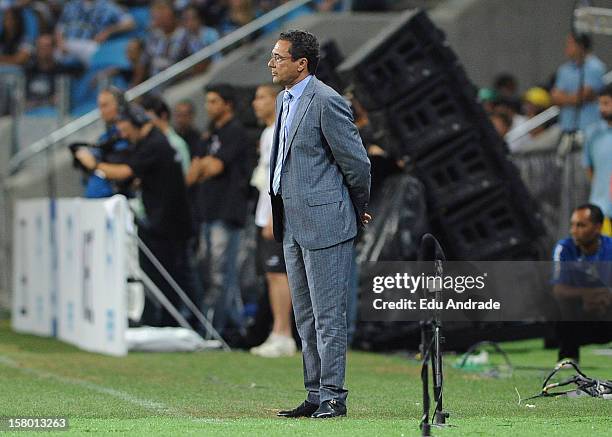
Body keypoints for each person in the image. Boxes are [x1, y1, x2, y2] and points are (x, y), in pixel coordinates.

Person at [268, 30, 371, 419]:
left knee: (329, 315)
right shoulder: (284, 99)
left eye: (279, 57)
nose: (272, 63)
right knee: (305, 315)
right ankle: (314, 393)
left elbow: (356, 162)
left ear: (301, 64)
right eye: (273, 56)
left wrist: (357, 204)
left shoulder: (327, 101)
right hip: (292, 220)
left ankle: (333, 396)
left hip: (326, 219)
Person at [74, 102, 194, 327]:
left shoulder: (154, 144)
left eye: (124, 127)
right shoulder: (148, 143)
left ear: (137, 122)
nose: (122, 134)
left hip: (169, 221)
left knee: (171, 276)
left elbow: (124, 172)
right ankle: (162, 321)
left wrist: (94, 165)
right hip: (159, 218)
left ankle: (177, 323)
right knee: (161, 276)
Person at [186, 83, 254, 338]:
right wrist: (204, 165)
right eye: (208, 101)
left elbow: (214, 168)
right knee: (212, 273)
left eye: (214, 101)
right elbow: (192, 175)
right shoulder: (209, 134)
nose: (209, 106)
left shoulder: (235, 132)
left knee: (220, 274)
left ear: (228, 104)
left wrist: (204, 166)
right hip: (207, 211)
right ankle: (235, 327)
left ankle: (214, 330)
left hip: (226, 212)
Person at [249, 83, 297, 358]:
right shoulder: (267, 133)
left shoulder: (279, 132)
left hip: (273, 215)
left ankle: (284, 333)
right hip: (263, 213)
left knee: (280, 275)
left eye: (262, 97)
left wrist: (271, 216)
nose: (256, 103)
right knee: (271, 275)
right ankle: (277, 331)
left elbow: (278, 179)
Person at [552, 204, 612, 364]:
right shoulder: (564, 248)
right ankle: (568, 357)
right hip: (580, 317)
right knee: (558, 302)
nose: (573, 231)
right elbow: (558, 289)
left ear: (598, 227)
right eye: (572, 225)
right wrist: (586, 294)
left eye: (581, 225)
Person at [551, 32, 606, 136]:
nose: (566, 47)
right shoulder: (564, 69)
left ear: (580, 46)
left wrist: (564, 97)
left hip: (588, 128)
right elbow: (555, 98)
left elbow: (583, 96)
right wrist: (573, 97)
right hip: (567, 127)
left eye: (570, 44)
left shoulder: (595, 67)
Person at [83, 87, 131, 198]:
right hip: (96, 202)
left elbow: (123, 170)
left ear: (120, 106)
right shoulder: (104, 138)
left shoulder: (128, 136)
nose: (101, 111)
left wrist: (92, 163)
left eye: (105, 106)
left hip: (116, 200)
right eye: (100, 106)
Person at [55, 0, 135, 65]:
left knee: (93, 55)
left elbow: (130, 23)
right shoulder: (71, 5)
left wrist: (108, 32)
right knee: (55, 55)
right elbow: (59, 27)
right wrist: (60, 43)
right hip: (68, 43)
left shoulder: (107, 6)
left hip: (90, 45)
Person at [583, 84, 612, 236]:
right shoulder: (592, 134)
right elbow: (588, 167)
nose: (602, 108)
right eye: (600, 103)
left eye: (606, 103)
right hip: (601, 208)